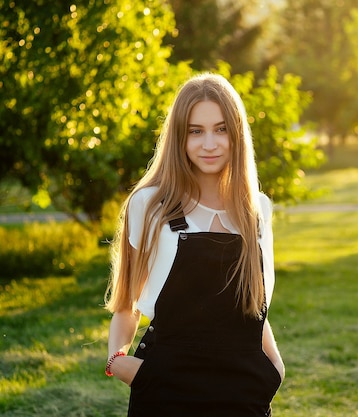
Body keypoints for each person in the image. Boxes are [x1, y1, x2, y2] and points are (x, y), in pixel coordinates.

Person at [104, 73, 284, 416]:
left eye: (221, 129)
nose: (210, 144)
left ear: (237, 134)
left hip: (242, 389)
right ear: (179, 137)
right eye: (195, 131)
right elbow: (127, 302)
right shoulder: (150, 205)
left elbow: (254, 306)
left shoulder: (257, 209)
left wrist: (274, 367)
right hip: (165, 387)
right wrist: (119, 362)